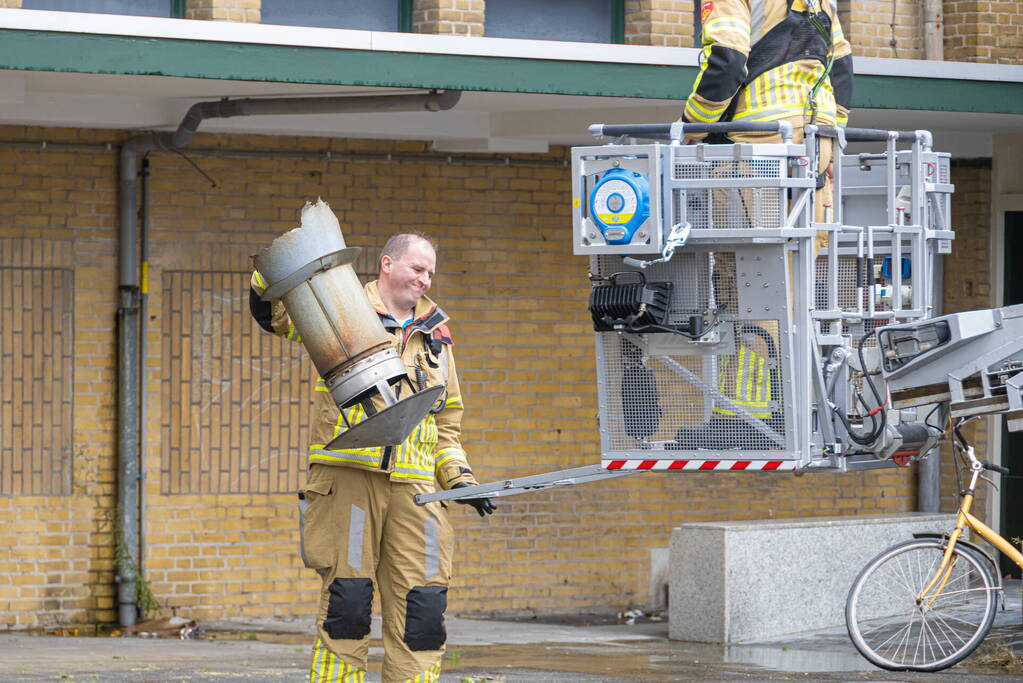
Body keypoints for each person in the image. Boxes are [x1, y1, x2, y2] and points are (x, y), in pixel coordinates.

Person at [249, 231, 495, 683]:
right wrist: (270, 270)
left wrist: (461, 480)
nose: (425, 280)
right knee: (349, 607)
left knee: (423, 614)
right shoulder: (343, 306)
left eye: (430, 273)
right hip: (350, 484)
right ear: (386, 264)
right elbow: (280, 318)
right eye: (417, 269)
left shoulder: (437, 334)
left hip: (417, 496)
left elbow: (447, 424)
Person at [682, 0, 853, 227]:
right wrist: (832, 145)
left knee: (746, 248)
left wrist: (693, 125)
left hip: (759, 137)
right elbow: (841, 67)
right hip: (817, 135)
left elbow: (728, 60)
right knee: (803, 247)